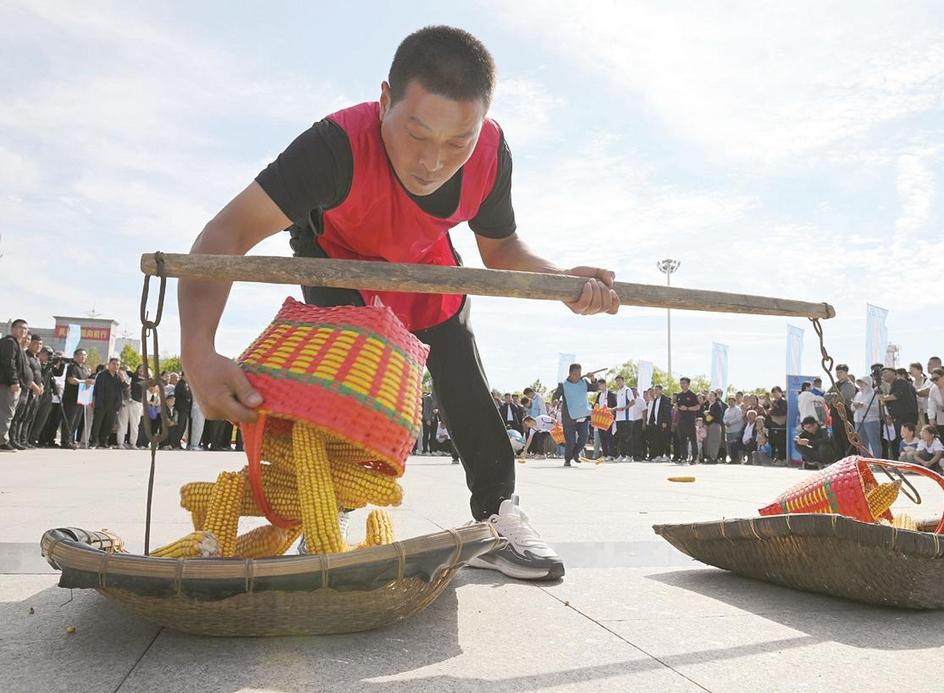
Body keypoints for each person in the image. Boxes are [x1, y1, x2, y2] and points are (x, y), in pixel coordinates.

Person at [176, 27, 620, 582]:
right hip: (338, 257)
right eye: (416, 133)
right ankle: (323, 514)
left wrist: (558, 279)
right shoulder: (332, 147)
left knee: (460, 376)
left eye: (457, 141)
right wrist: (198, 352)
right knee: (340, 395)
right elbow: (224, 236)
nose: (433, 162)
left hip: (423, 262)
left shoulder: (490, 153)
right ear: (385, 101)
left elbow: (501, 248)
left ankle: (498, 513)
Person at [551, 364, 599, 466]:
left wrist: (593, 379)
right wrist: (555, 400)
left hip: (583, 415)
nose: (577, 376)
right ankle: (568, 459)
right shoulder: (563, 385)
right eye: (575, 374)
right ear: (570, 373)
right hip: (569, 418)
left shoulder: (584, 382)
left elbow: (595, 388)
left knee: (584, 438)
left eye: (579, 374)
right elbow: (556, 396)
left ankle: (576, 453)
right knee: (570, 442)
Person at [0, 319, 31, 452]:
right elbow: (9, 363)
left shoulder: (17, 345)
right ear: (12, 328)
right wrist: (14, 381)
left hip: (15, 385)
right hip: (8, 384)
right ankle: (2, 441)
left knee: (8, 413)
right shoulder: (10, 342)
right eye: (20, 327)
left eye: (25, 329)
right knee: (6, 413)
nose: (23, 331)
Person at [880, 367, 917, 457]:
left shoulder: (900, 382)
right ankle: (900, 460)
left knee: (906, 440)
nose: (883, 375)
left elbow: (897, 395)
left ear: (893, 373)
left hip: (906, 417)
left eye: (885, 372)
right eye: (882, 373)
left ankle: (909, 461)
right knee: (898, 441)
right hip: (897, 418)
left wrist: (883, 398)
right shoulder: (892, 385)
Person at [61, 348, 92, 449]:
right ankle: (65, 441)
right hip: (71, 398)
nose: (83, 357)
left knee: (76, 422)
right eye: (80, 355)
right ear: (75, 356)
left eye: (85, 355)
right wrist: (84, 382)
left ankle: (71, 440)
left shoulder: (84, 369)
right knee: (69, 421)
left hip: (81, 399)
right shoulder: (72, 367)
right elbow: (71, 380)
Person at [825, 364, 858, 458]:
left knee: (847, 439)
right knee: (837, 440)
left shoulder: (849, 385)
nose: (838, 374)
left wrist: (833, 395)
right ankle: (839, 460)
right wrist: (833, 395)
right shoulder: (836, 384)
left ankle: (851, 460)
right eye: (837, 372)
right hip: (835, 415)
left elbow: (841, 398)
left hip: (845, 415)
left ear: (846, 373)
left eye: (841, 372)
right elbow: (825, 396)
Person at [851, 376, 882, 458]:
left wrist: (863, 405)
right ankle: (865, 461)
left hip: (871, 420)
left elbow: (877, 408)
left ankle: (878, 461)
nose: (861, 385)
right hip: (858, 420)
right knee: (862, 443)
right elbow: (852, 407)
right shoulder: (858, 394)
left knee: (874, 441)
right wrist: (855, 405)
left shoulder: (874, 394)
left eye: (863, 382)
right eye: (860, 383)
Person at [926, 366, 944, 440]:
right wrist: (931, 419)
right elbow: (931, 406)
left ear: (943, 376)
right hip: (942, 420)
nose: (934, 381)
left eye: (936, 379)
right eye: (932, 380)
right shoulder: (933, 390)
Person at [674, 377, 699, 463]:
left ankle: (694, 458)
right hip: (681, 420)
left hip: (690, 420)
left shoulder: (692, 395)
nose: (682, 385)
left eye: (684, 383)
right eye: (681, 383)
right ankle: (684, 457)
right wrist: (676, 407)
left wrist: (687, 408)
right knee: (682, 440)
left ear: (688, 384)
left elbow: (697, 406)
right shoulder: (679, 395)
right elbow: (677, 405)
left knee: (693, 440)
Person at [611, 375, 635, 462]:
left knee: (627, 437)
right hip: (619, 418)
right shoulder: (618, 392)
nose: (618, 383)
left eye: (619, 381)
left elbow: (633, 401)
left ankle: (630, 456)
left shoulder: (627, 390)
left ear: (623, 381)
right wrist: (614, 409)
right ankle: (622, 454)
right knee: (621, 437)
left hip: (627, 418)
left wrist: (625, 408)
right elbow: (619, 405)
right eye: (617, 381)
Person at [647, 384, 671, 461]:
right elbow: (653, 412)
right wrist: (651, 421)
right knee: (658, 440)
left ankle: (667, 455)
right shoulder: (655, 400)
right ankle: (659, 455)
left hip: (664, 423)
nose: (655, 391)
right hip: (656, 423)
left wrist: (665, 421)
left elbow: (667, 412)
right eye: (655, 390)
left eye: (657, 389)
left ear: (661, 390)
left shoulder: (666, 399)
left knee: (665, 440)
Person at [703, 391, 724, 463]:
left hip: (715, 425)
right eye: (709, 395)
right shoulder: (708, 405)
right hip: (709, 425)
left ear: (715, 397)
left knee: (714, 441)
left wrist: (708, 413)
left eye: (712, 396)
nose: (710, 397)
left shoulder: (717, 405)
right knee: (708, 442)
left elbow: (715, 415)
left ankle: (713, 457)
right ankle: (709, 457)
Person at [768, 387, 788, 462]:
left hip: (780, 426)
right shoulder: (774, 401)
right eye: (773, 393)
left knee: (781, 443)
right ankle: (776, 458)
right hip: (774, 425)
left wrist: (771, 412)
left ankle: (782, 458)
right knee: (774, 443)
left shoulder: (783, 401)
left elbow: (782, 412)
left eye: (776, 392)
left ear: (780, 392)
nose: (774, 394)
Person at [723, 395, 744, 463]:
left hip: (736, 430)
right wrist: (725, 422)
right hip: (728, 430)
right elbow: (724, 418)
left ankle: (738, 459)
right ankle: (732, 459)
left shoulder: (737, 409)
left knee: (736, 445)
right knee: (729, 445)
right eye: (729, 401)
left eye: (732, 401)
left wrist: (730, 423)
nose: (730, 403)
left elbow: (738, 418)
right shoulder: (727, 410)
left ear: (735, 402)